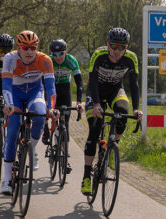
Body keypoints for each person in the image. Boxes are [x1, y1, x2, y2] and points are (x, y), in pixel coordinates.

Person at [81, 28, 143, 194]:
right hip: (97, 92)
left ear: (126, 47)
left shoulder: (131, 58)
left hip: (116, 89)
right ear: (108, 45)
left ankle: (112, 147)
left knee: (123, 112)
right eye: (113, 47)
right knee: (95, 129)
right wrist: (95, 104)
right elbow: (92, 81)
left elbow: (135, 85)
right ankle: (86, 177)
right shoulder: (98, 55)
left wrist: (137, 109)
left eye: (121, 47)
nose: (116, 51)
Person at [1, 30, 59, 195]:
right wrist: (9, 104)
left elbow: (50, 87)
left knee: (40, 117)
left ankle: (31, 149)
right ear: (18, 48)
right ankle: (6, 180)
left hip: (35, 93)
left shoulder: (45, 60)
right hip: (15, 95)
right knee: (12, 133)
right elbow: (6, 84)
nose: (29, 51)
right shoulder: (9, 59)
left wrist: (52, 107)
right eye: (25, 48)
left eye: (32, 48)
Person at [41, 38, 84, 173]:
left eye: (61, 54)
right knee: (46, 110)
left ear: (66, 52)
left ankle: (65, 159)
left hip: (64, 90)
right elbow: (42, 84)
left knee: (65, 124)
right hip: (50, 88)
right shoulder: (48, 61)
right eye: (55, 54)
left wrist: (78, 102)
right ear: (51, 54)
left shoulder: (71, 61)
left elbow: (80, 84)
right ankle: (45, 128)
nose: (58, 57)